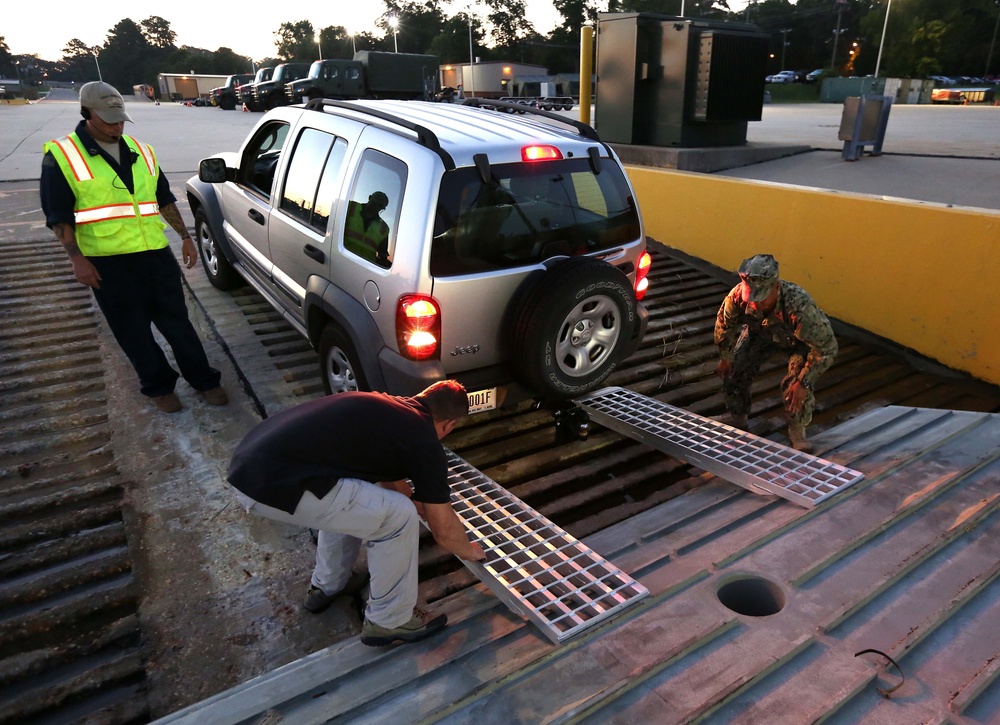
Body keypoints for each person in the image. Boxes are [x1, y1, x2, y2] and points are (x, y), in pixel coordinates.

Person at [227, 380, 486, 647]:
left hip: (249, 468)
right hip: (274, 484)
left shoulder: (387, 409)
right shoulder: (422, 438)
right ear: (449, 424)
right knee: (398, 517)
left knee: (355, 496)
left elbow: (390, 482)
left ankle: (328, 585)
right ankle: (390, 619)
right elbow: (444, 533)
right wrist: (469, 549)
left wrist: (423, 504)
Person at [39, 81, 227, 414]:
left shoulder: (142, 151)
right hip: (107, 263)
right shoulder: (62, 157)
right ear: (87, 114)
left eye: (120, 119)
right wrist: (77, 259)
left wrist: (185, 237)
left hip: (154, 254)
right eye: (109, 120)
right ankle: (158, 387)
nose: (117, 126)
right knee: (133, 331)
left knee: (178, 324)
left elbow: (163, 197)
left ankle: (205, 381)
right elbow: (58, 216)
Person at [714, 254, 838, 452]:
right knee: (736, 366)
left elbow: (826, 347)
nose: (755, 303)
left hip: (798, 342)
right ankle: (738, 416)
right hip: (762, 333)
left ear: (776, 287)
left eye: (761, 297)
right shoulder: (737, 295)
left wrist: (805, 382)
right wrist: (725, 357)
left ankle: (797, 429)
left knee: (795, 386)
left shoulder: (799, 306)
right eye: (751, 297)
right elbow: (724, 324)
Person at [343, 191, 390, 265]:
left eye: (380, 205)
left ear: (382, 208)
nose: (376, 206)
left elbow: (383, 254)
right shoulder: (350, 206)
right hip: (341, 258)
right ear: (369, 198)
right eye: (374, 202)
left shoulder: (384, 228)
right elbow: (330, 225)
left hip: (365, 268)